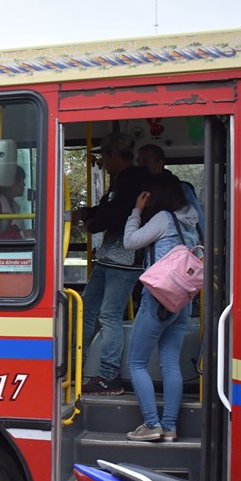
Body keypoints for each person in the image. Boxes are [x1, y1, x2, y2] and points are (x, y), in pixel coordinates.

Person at [122, 173, 200, 442]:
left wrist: (136, 211)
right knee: (171, 364)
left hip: (157, 299)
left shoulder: (163, 218)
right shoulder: (191, 222)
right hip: (182, 302)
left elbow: (130, 242)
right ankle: (169, 426)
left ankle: (151, 424)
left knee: (136, 362)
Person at [72, 132, 149, 396]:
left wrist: (94, 222)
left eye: (103, 156)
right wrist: (87, 214)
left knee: (108, 314)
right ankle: (76, 366)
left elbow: (117, 213)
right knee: (87, 307)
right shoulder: (121, 180)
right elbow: (108, 207)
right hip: (110, 256)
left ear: (114, 155)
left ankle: (108, 377)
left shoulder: (133, 180)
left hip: (125, 258)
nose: (102, 162)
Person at [137, 144, 205, 236]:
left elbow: (198, 222)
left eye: (145, 162)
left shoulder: (182, 188)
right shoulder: (138, 188)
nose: (140, 166)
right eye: (138, 162)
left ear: (160, 164)